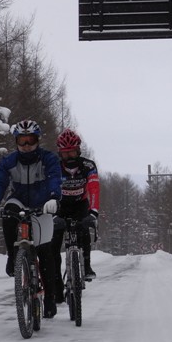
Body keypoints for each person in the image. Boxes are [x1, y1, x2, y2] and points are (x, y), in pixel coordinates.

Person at [0, 119, 62, 318]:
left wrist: (54, 198)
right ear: (16, 142)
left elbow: (55, 178)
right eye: (22, 141)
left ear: (38, 140)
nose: (27, 146)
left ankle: (50, 297)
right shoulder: (8, 161)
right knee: (8, 212)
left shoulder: (48, 159)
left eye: (31, 140)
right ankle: (13, 256)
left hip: (43, 204)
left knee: (45, 250)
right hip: (19, 200)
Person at [51, 128, 100, 304]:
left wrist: (94, 212)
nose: (69, 156)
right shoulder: (54, 167)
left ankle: (86, 266)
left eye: (72, 152)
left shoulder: (88, 166)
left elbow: (94, 188)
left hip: (80, 204)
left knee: (83, 230)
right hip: (60, 206)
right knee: (53, 243)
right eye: (65, 153)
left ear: (78, 150)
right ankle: (56, 283)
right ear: (60, 153)